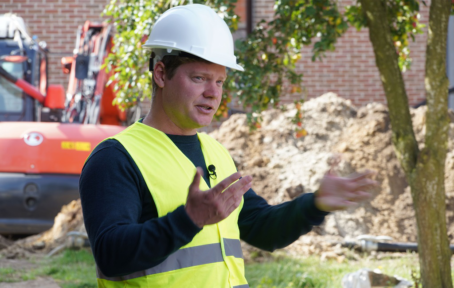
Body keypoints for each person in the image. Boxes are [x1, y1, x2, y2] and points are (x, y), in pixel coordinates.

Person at [79, 4, 376, 288]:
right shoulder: (115, 159)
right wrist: (188, 220)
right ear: (160, 74)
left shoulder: (216, 152)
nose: (213, 93)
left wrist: (315, 204)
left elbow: (261, 227)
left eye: (220, 82)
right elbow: (110, 254)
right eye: (199, 78)